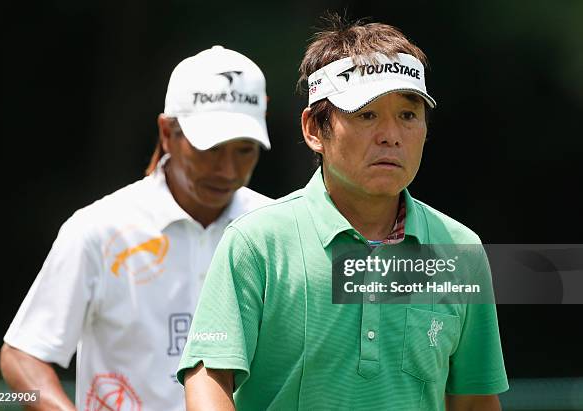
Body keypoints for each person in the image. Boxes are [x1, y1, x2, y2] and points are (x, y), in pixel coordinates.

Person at [177, 17, 509, 411]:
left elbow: (473, 402)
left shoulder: (460, 251)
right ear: (314, 129)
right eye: (366, 115)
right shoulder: (256, 243)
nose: (391, 135)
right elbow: (208, 379)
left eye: (408, 114)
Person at [0, 45, 272, 411]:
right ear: (166, 132)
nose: (227, 169)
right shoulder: (98, 229)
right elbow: (22, 355)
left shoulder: (274, 229)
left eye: (244, 149)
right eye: (210, 148)